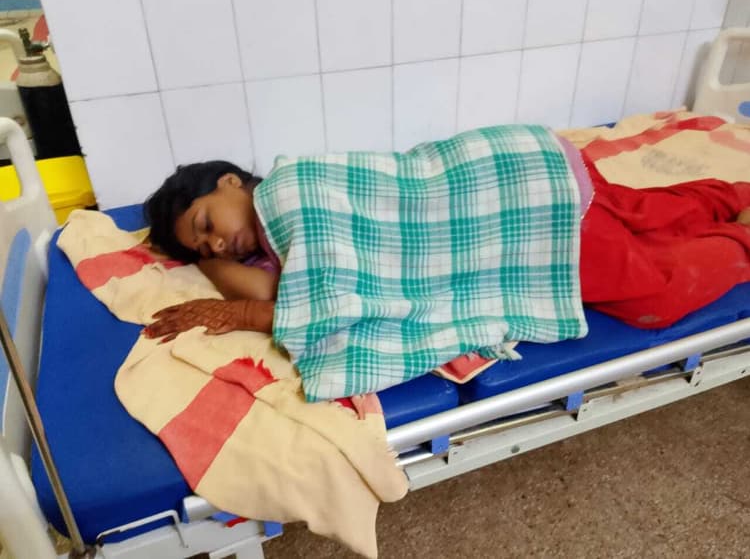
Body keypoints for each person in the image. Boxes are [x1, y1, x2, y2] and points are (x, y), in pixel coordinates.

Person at [142, 159, 750, 342]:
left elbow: (288, 304)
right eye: (205, 249)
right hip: (545, 169)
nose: (217, 242)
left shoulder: (295, 187)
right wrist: (210, 258)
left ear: (231, 181)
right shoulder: (272, 254)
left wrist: (241, 312)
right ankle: (734, 196)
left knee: (652, 298)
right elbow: (278, 293)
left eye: (206, 223)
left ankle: (741, 232)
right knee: (632, 213)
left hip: (517, 208)